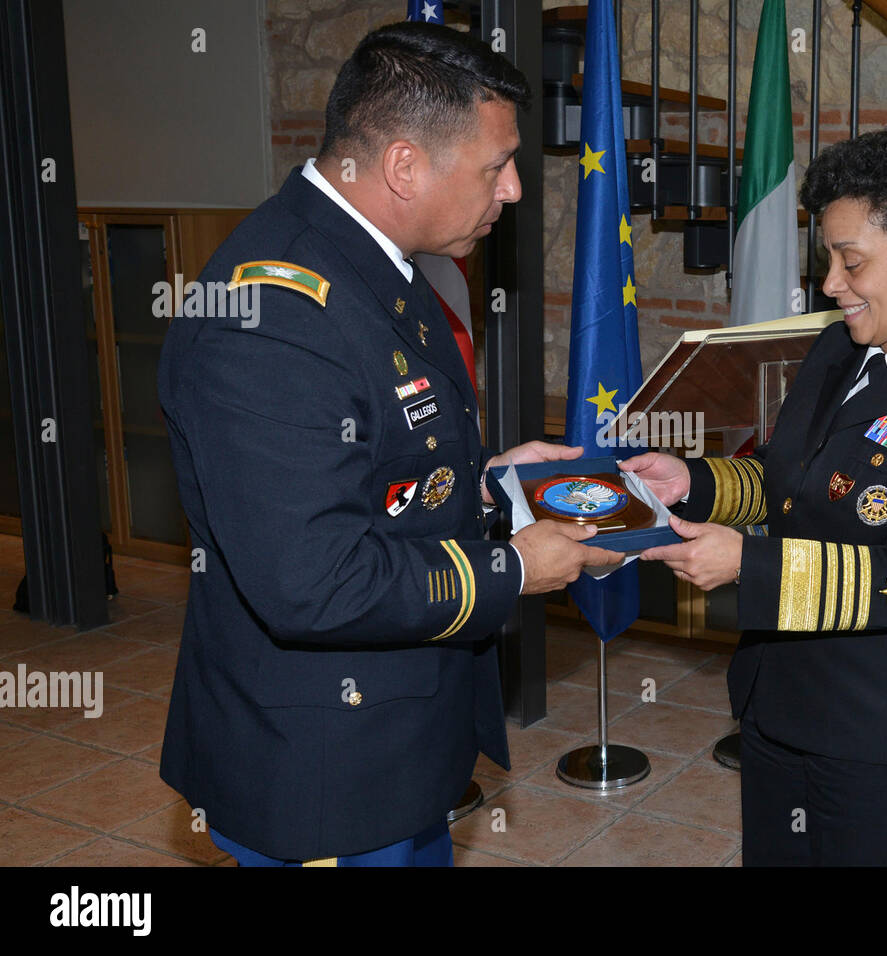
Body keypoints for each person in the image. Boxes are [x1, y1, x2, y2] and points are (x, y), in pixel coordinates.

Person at [157, 22, 621, 867]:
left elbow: (367, 466)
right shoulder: (273, 321)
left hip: (397, 740)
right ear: (405, 166)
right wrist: (516, 567)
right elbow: (314, 582)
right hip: (326, 774)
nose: (513, 190)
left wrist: (485, 482)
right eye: (496, 166)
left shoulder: (378, 263)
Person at [626, 125, 887, 866]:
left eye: (851, 262)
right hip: (780, 702)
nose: (832, 283)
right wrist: (696, 482)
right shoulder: (838, 348)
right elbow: (789, 483)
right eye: (829, 260)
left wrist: (747, 565)